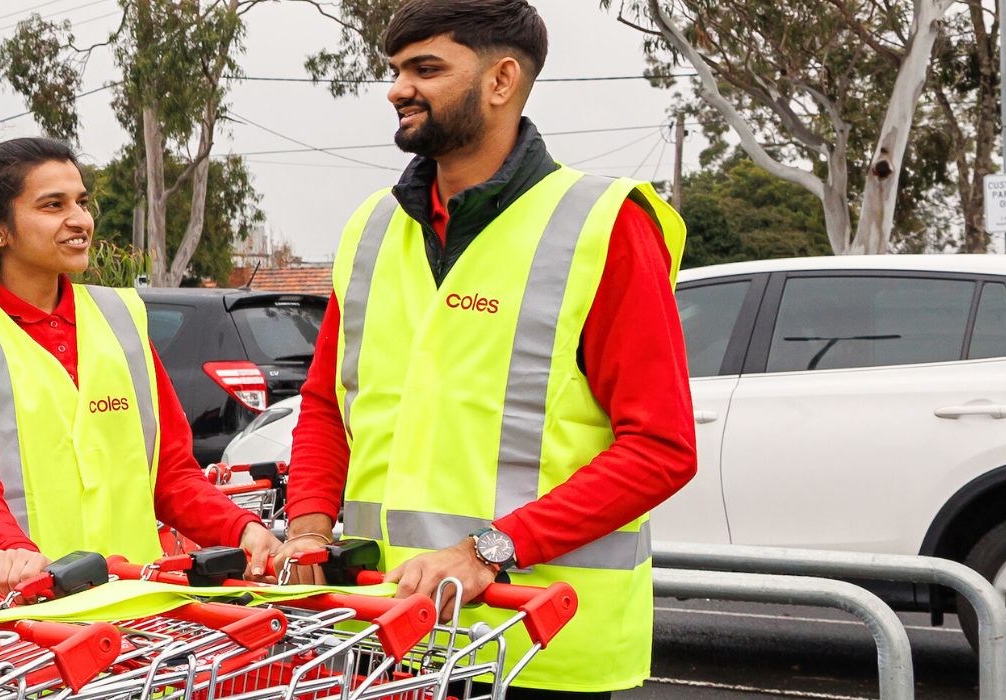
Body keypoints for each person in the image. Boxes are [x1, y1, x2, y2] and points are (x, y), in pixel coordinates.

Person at [269, 1, 697, 697]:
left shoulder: (604, 226)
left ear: (501, 81)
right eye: (397, 69)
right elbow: (325, 405)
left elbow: (661, 449)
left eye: (425, 68)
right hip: (386, 635)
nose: (398, 89)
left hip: (537, 646)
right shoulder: (373, 228)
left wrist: (488, 551)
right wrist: (309, 528)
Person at [0, 137, 283, 591]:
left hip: (132, 606)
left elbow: (170, 474)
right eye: (52, 205)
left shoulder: (122, 317)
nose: (80, 220)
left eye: (82, 202)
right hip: (17, 615)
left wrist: (240, 529)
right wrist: (13, 550)